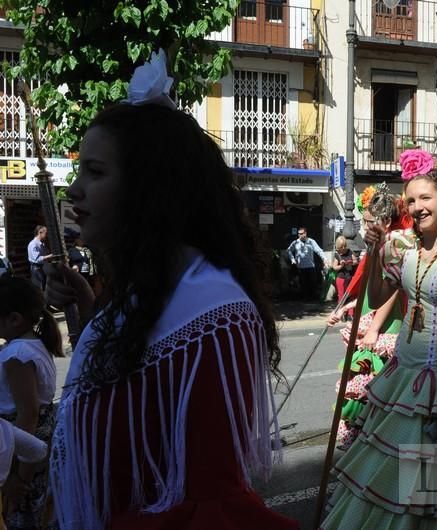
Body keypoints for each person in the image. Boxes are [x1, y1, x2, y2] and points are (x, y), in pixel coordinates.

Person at [41, 51, 297, 530]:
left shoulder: (214, 314)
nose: (73, 191)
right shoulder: (136, 294)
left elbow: (209, 502)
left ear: (149, 188)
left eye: (95, 173)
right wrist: (91, 304)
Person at [321, 149, 437, 529]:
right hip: (400, 376)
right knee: (383, 472)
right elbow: (377, 291)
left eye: (426, 198)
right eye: (412, 200)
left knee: (419, 487)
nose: (417, 207)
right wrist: (373, 249)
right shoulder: (401, 247)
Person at [326, 186, 407, 451]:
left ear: (383, 221)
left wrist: (373, 330)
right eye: (364, 221)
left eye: (369, 221)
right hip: (370, 318)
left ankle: (373, 443)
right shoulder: (375, 247)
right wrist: (343, 309)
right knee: (360, 387)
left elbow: (392, 290)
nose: (364, 226)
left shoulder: (394, 243)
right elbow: (369, 293)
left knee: (373, 387)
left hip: (385, 325)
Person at [0, 277, 62, 530]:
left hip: (24, 448)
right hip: (33, 442)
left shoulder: (17, 355)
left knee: (21, 513)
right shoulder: (33, 345)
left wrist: (17, 477)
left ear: (14, 319)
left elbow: (28, 413)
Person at [287, 227, 328, 302]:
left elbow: (319, 250)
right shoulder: (295, 242)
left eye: (301, 233)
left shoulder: (311, 241)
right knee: (303, 284)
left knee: (312, 283)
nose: (299, 235)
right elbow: (289, 250)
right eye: (299, 234)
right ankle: (304, 299)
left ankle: (313, 299)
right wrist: (292, 260)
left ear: (305, 233)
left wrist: (324, 259)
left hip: (310, 266)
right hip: (300, 267)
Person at [331, 236, 358, 321]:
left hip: (350, 276)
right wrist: (341, 265)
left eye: (344, 246)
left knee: (351, 296)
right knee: (342, 297)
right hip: (341, 278)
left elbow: (356, 261)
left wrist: (351, 262)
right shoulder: (337, 254)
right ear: (338, 247)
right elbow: (334, 267)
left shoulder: (350, 252)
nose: (343, 248)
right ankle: (341, 314)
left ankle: (350, 314)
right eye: (341, 247)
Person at [26, 227, 51, 291]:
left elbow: (45, 253)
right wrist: (49, 256)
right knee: (38, 289)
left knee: (43, 288)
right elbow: (37, 259)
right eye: (46, 233)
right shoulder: (33, 244)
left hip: (41, 268)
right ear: (40, 232)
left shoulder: (41, 243)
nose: (47, 235)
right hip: (36, 269)